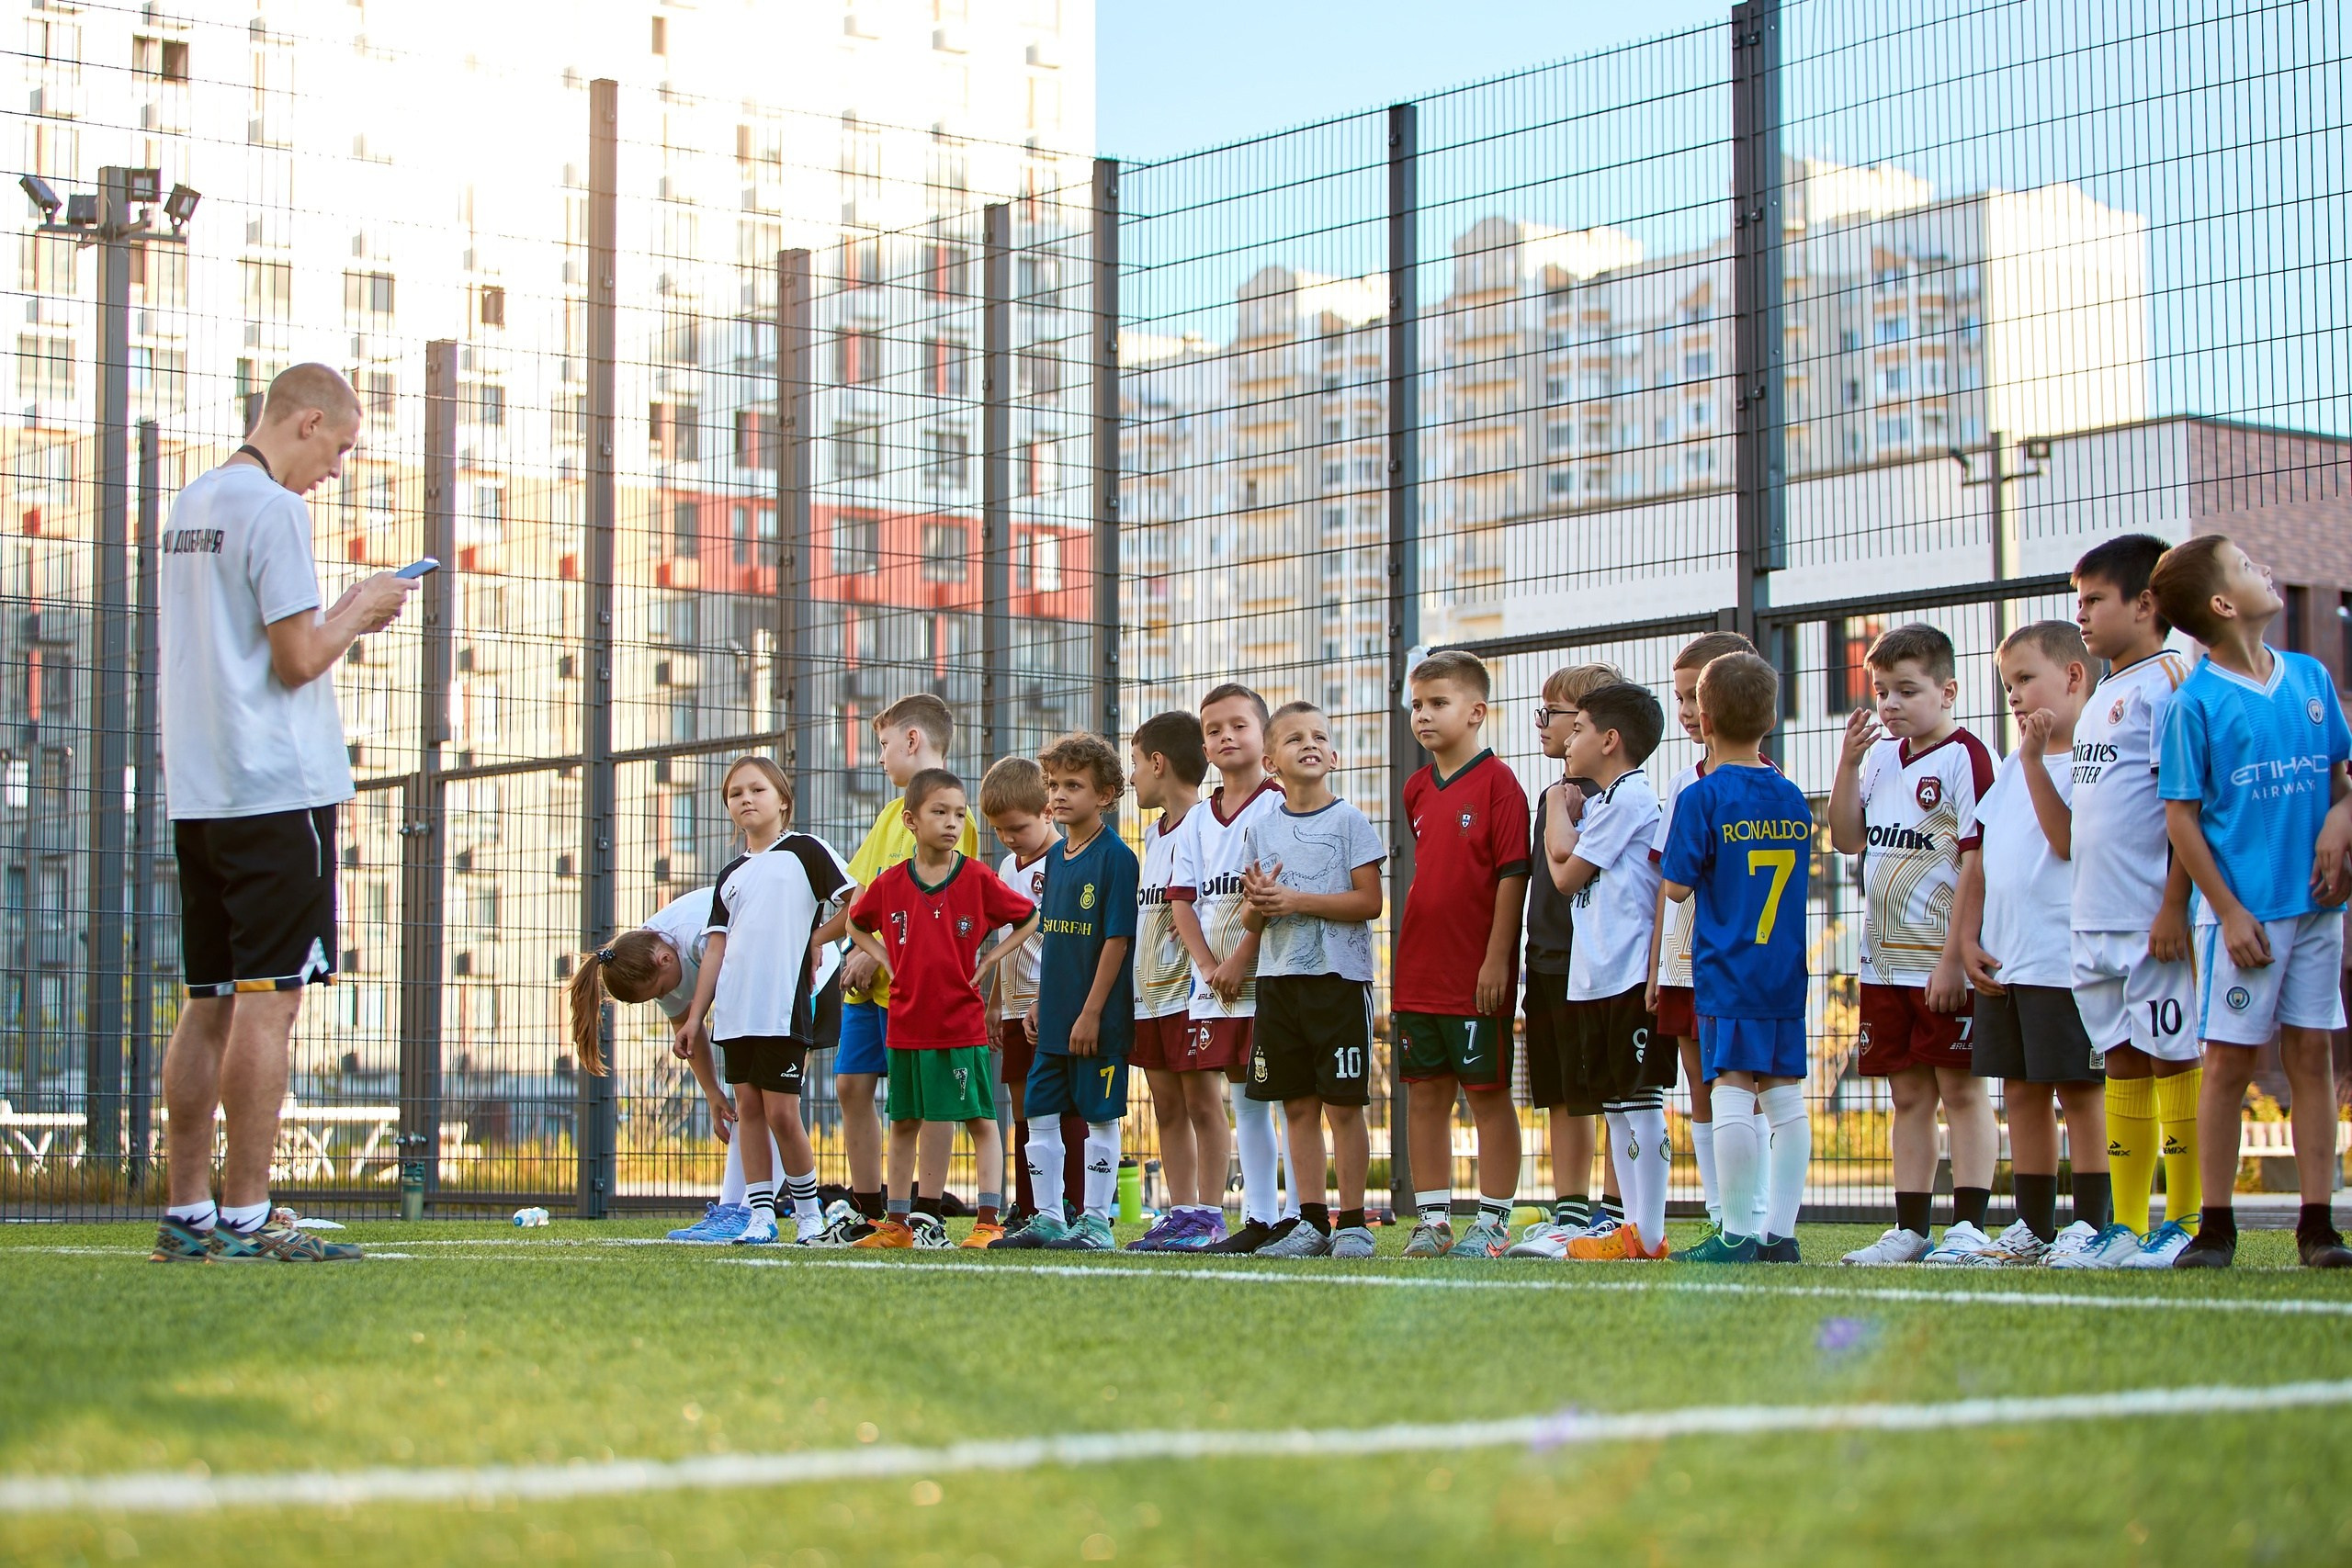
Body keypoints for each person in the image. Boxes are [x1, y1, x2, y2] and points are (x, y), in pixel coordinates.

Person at [153, 365, 416, 1265]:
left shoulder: (190, 503)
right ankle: (250, 1214)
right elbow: (298, 658)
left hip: (200, 789)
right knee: (270, 1006)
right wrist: (361, 606)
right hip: (275, 791)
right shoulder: (275, 510)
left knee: (208, 1001)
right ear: (306, 423)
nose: (336, 469)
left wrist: (338, 609)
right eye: (339, 448)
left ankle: (189, 1215)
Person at [2152, 536, 2352, 1269]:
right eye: (2246, 566)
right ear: (2224, 604)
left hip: (2318, 911)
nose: (2263, 569)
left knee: (2310, 1052)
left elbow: (2340, 783)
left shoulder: (2311, 676)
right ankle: (2215, 1227)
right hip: (2244, 916)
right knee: (2229, 1062)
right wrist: (2228, 911)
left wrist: (2340, 820)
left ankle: (2318, 1226)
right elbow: (2181, 818)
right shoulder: (2195, 703)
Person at [2052, 534, 2200, 1269]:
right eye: (2077, 601)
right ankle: (2128, 1225)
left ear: (2145, 604)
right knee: (2121, 1059)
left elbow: (2183, 808)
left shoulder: (2170, 682)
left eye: (2094, 600)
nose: (2081, 614)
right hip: (2094, 918)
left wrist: (2175, 904)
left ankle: (2189, 1218)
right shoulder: (2103, 691)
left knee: (2173, 1054)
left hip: (2151, 920)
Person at [1828, 623, 1997, 1267]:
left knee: (1961, 1091)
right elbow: (1846, 837)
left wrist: (1958, 955)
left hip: (1942, 961)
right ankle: (1911, 1227)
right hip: (1884, 962)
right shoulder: (1876, 759)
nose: (1890, 705)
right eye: (1881, 692)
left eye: (1906, 690)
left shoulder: (1967, 757)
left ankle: (1972, 1225)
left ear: (1948, 689)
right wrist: (1847, 762)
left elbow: (1979, 862)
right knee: (1908, 1096)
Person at [1949, 622, 2112, 1266]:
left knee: (2078, 1090)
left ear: (2074, 677)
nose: (2013, 695)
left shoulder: (2091, 758)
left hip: (2063, 962)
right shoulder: (2014, 766)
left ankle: (2093, 1223)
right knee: (2020, 1093)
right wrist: (1967, 938)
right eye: (2007, 683)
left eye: (2025, 679)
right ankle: (2034, 1224)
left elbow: (2066, 840)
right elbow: (1982, 860)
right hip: (2006, 961)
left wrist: (2040, 762)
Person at [1660, 652, 1815, 1263]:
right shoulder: (1794, 796)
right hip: (1783, 969)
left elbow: (1674, 887)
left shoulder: (1704, 796)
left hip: (1727, 968)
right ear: (1771, 718)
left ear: (1704, 716)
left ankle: (1736, 1234)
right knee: (1783, 1098)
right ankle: (1780, 1234)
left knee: (1728, 1088)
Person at [846, 769, 1038, 1250]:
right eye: (940, 812)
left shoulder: (976, 877)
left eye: (959, 814)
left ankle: (989, 1221)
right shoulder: (890, 883)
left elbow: (1030, 916)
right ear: (911, 820)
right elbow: (855, 924)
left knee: (978, 1120)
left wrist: (994, 955)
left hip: (961, 1024)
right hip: (906, 1026)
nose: (952, 823)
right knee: (904, 1122)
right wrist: (883, 956)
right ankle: (896, 1226)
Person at [820, 694, 979, 1242]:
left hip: (917, 990)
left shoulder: (956, 815)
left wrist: (874, 951)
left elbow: (948, 904)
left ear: (912, 740)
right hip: (866, 989)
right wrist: (822, 942)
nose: (880, 758)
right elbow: (861, 900)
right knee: (850, 1084)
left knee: (926, 1098)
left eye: (884, 746)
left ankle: (926, 1210)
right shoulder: (892, 815)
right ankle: (868, 1209)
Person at [673, 758, 847, 1246]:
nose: (745, 799)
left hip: (782, 1006)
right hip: (734, 1012)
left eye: (757, 789)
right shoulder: (730, 875)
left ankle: (811, 1216)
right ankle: (759, 1216)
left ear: (783, 800)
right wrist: (695, 1016)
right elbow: (716, 948)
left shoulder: (805, 851)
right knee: (749, 1108)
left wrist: (815, 939)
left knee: (782, 1113)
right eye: (735, 793)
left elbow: (857, 908)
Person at [1395, 650, 1532, 1259]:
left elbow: (1512, 877)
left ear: (1476, 712)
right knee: (1425, 1093)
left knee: (1487, 1093)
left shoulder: (1501, 784)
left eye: (1438, 703)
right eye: (1418, 704)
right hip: (1418, 973)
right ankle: (1434, 1219)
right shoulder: (1416, 787)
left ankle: (1493, 1221)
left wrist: (1497, 960)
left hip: (1476, 977)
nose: (1423, 715)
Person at [1238, 702, 1386, 1258]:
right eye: (1295, 737)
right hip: (1279, 984)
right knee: (1296, 1105)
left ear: (1334, 755)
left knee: (1343, 1105)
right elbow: (1252, 917)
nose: (1310, 744)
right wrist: (1260, 903)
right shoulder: (1261, 829)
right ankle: (1311, 1222)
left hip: (1338, 983)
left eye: (1320, 737)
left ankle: (1353, 1222)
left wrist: (1297, 899)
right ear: (1271, 761)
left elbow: (1369, 901)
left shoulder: (1350, 821)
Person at [566, 886, 791, 1244]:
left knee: (776, 1101)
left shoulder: (695, 936)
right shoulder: (643, 955)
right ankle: (732, 1209)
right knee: (747, 1101)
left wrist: (700, 1017)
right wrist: (713, 1092)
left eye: (657, 992)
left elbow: (706, 1007)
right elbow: (687, 1025)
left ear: (665, 962)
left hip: (796, 976)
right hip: (757, 990)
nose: (662, 997)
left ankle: (753, 1213)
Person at [1170, 683, 1303, 1253]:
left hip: (1269, 975)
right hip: (1216, 985)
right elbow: (1183, 899)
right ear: (1203, 746)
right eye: (1214, 729)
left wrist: (1240, 956)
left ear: (1263, 736)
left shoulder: (1281, 804)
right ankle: (1260, 1216)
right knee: (1244, 1095)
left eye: (1238, 726)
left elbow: (1273, 892)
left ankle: (1302, 1215)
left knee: (1291, 1094)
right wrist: (1206, 964)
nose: (1226, 736)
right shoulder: (1199, 818)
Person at [994, 734, 1141, 1251]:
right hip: (1052, 1017)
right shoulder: (1056, 859)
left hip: (1094, 1020)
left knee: (1099, 1115)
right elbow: (1053, 937)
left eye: (1073, 785)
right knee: (1040, 1114)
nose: (1058, 795)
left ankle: (1096, 1222)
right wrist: (1040, 1002)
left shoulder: (1117, 858)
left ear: (1104, 795)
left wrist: (1091, 1012)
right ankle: (1049, 1216)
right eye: (1053, 784)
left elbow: (1117, 941)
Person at [1544, 682, 1673, 1262]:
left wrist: (1552, 807)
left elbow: (1566, 875)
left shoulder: (1630, 798)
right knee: (1618, 1104)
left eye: (1578, 730)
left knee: (1641, 1100)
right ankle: (1632, 1231)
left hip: (1627, 975)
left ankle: (1648, 1231)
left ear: (1610, 740)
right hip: (1596, 975)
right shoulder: (1605, 801)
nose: (1568, 741)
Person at [1650, 630, 1770, 1242]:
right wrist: (1655, 968)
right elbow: (1664, 883)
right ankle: (1723, 1214)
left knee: (1747, 1090)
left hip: (1739, 964)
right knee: (1700, 1089)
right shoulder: (1682, 784)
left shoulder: (1766, 783)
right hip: (1683, 962)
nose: (1689, 710)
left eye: (1696, 694)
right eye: (1680, 697)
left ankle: (1759, 1217)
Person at [1507, 662, 1623, 1259]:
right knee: (1561, 1091)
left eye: (1555, 716)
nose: (1544, 725)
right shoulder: (1552, 792)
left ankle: (1616, 1211)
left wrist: (1559, 805)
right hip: (1549, 962)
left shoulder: (1611, 799)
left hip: (1601, 966)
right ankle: (1571, 1206)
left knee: (1611, 1091)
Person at [1127, 711, 1230, 1251]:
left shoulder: (1206, 825)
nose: (1131, 778)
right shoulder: (1151, 832)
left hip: (1193, 995)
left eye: (1137, 764)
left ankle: (1211, 1214)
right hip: (1151, 996)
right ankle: (1182, 1210)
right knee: (1167, 1106)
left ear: (1159, 763)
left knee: (1202, 1104)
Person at [978, 757, 1062, 1232]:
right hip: (1013, 1006)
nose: (1009, 839)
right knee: (1021, 1102)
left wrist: (1046, 998)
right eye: (1000, 830)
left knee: (1057, 1101)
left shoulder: (1066, 860)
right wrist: (995, 1002)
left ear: (1048, 811)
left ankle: (1066, 1200)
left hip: (1050, 1005)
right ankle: (1028, 1203)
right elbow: (1006, 939)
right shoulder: (1009, 867)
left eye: (1018, 827)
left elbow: (1067, 941)